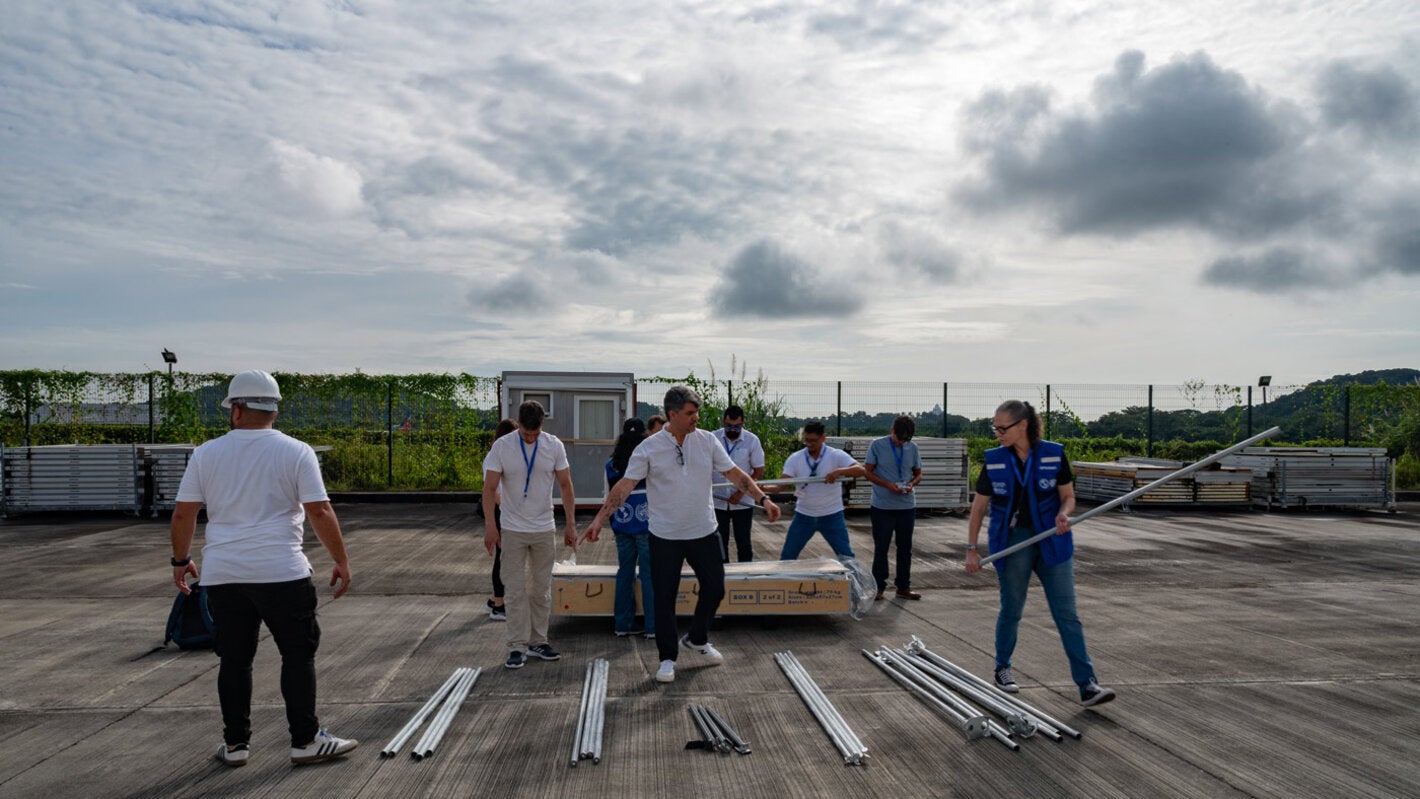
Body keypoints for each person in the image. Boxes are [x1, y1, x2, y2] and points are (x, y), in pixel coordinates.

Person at [169, 369, 358, 768]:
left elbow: (185, 512)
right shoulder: (296, 451)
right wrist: (339, 559)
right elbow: (319, 510)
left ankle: (236, 745)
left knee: (235, 660)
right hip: (282, 573)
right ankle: (305, 740)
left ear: (237, 410)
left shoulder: (206, 453)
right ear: (273, 409)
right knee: (297, 655)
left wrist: (181, 560)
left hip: (224, 575)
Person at [581, 386, 780, 684]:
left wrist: (763, 499)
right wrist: (599, 519)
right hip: (665, 535)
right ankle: (666, 659)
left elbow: (736, 474)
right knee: (664, 598)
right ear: (672, 414)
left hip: (703, 530)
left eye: (696, 412)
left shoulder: (707, 441)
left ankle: (697, 638)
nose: (695, 418)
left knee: (716, 588)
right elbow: (624, 486)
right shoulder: (648, 448)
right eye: (690, 413)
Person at [966, 400, 1116, 707]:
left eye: (1002, 428)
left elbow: (1068, 497)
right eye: (994, 427)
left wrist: (1064, 515)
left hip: (1052, 541)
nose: (997, 433)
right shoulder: (994, 460)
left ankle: (1087, 684)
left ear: (1023, 425)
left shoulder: (1053, 453)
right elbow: (979, 507)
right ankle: (1002, 668)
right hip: (1012, 542)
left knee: (1067, 614)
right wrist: (971, 549)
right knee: (1012, 609)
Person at [483, 400, 577, 670]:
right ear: (519, 424)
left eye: (535, 434)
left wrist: (570, 523)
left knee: (541, 589)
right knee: (513, 590)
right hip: (512, 529)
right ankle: (516, 646)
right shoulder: (502, 447)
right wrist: (491, 524)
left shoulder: (553, 445)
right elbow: (489, 489)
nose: (530, 438)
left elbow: (566, 484)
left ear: (542, 426)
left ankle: (539, 641)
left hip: (544, 527)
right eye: (526, 434)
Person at [775, 421, 864, 560]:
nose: (809, 444)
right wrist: (761, 488)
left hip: (832, 515)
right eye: (807, 440)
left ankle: (854, 581)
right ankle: (785, 581)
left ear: (823, 438)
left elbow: (860, 470)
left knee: (847, 557)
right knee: (787, 556)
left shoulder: (835, 455)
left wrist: (839, 471)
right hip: (804, 515)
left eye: (813, 441)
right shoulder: (795, 458)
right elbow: (780, 485)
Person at [864, 415, 924, 600]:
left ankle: (903, 586)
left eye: (906, 440)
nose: (901, 443)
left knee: (905, 547)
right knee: (881, 546)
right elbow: (867, 472)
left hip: (906, 505)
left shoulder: (912, 447)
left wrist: (912, 484)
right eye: (899, 439)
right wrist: (888, 485)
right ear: (892, 431)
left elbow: (919, 473)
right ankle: (879, 586)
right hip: (883, 505)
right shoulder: (877, 445)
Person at [605, 417, 654, 638]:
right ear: (644, 435)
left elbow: (609, 495)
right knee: (650, 575)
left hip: (622, 523)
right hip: (646, 523)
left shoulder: (611, 464)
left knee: (625, 573)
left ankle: (622, 624)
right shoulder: (647, 460)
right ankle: (653, 627)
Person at [712, 405, 766, 562]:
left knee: (743, 542)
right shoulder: (713, 438)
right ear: (723, 422)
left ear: (743, 423)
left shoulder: (752, 440)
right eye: (729, 426)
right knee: (719, 543)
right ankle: (723, 577)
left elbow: (758, 471)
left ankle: (745, 575)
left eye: (737, 427)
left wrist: (741, 493)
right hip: (718, 501)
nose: (733, 430)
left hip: (743, 502)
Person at [483, 418, 517, 621]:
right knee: (502, 558)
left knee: (505, 556)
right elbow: (492, 489)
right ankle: (499, 605)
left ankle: (495, 599)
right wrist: (508, 507)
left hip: (505, 509)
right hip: (501, 509)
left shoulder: (503, 453)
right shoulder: (494, 456)